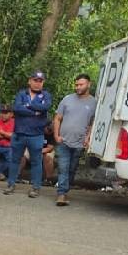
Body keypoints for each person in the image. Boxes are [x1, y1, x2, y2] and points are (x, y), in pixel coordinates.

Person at [5, 70, 52, 198]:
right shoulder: (22, 93)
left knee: (37, 161)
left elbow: (45, 107)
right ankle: (11, 184)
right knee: (15, 159)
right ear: (29, 81)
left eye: (40, 81)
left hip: (36, 134)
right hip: (19, 133)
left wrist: (28, 106)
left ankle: (36, 187)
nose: (37, 83)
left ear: (43, 82)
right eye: (35, 80)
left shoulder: (46, 95)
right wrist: (35, 111)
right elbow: (16, 108)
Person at [52, 73, 97, 206]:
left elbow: (93, 123)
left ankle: (65, 189)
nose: (78, 87)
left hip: (79, 143)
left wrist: (88, 138)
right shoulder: (67, 99)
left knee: (72, 169)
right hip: (63, 141)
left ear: (88, 84)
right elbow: (57, 118)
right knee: (63, 168)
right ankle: (61, 194)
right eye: (76, 85)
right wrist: (56, 135)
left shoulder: (94, 103)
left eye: (81, 84)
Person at [0, 104, 14, 180]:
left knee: (11, 160)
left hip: (9, 146)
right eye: (2, 112)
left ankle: (0, 174)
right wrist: (6, 135)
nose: (3, 115)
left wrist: (2, 133)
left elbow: (14, 136)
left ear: (11, 114)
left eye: (6, 113)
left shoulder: (14, 122)